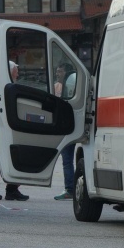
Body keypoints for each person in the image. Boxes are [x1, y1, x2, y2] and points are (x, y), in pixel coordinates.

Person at [0, 61, 28, 201]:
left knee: (13, 157)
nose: (18, 73)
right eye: (16, 70)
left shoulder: (11, 85)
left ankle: (12, 189)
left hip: (9, 128)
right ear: (10, 71)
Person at [52, 66, 76, 201]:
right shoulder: (55, 86)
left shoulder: (72, 86)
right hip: (61, 126)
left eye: (60, 71)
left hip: (69, 127)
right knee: (66, 159)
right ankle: (70, 187)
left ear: (66, 73)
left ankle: (70, 188)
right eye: (57, 71)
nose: (57, 73)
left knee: (67, 160)